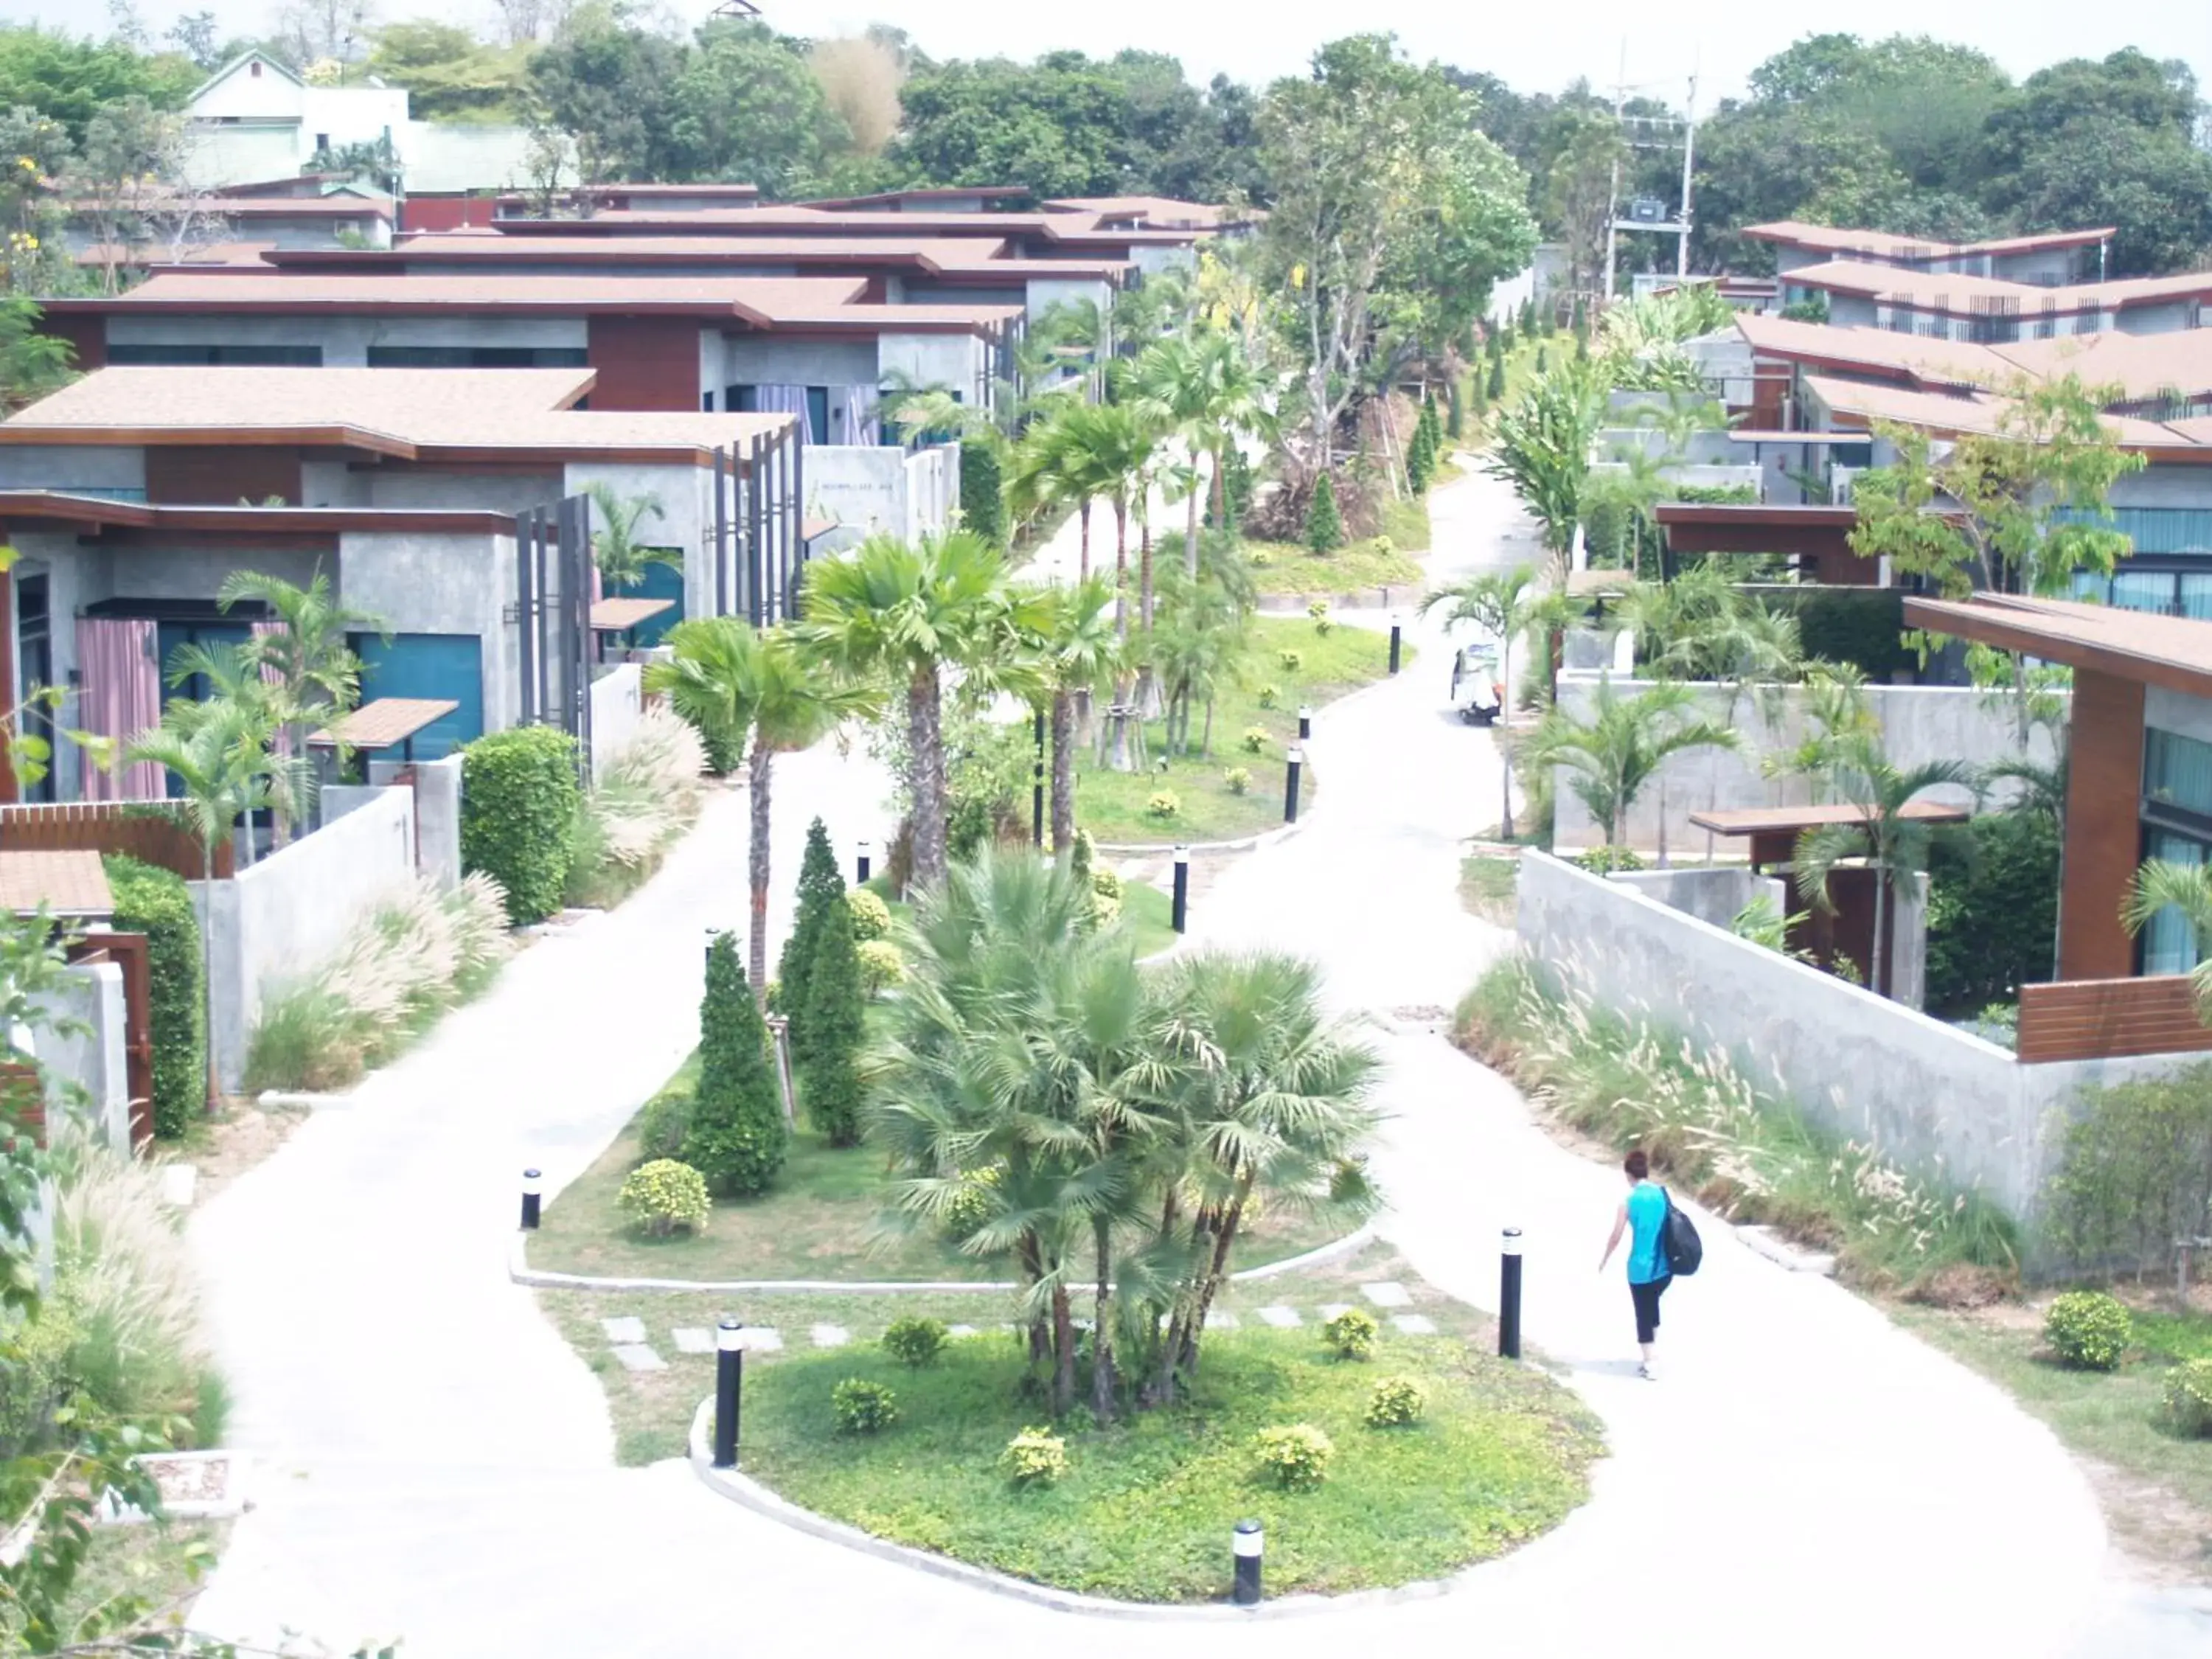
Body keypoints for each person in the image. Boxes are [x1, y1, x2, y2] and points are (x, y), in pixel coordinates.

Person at [1599, 1149, 1671, 1380]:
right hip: (1665, 1266)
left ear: (1628, 1174)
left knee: (1643, 1313)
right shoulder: (1662, 1194)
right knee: (1653, 1305)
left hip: (1640, 1267)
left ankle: (1651, 1362)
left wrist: (1605, 1258)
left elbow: (1616, 1235)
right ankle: (1652, 1353)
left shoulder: (1628, 1201)